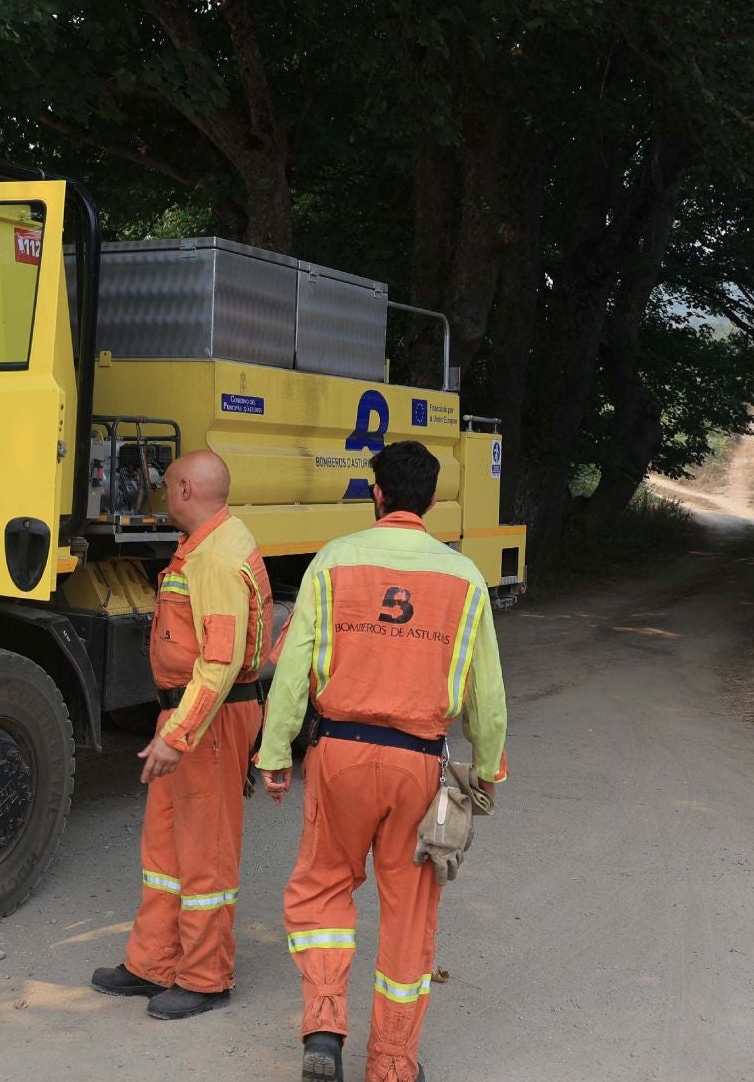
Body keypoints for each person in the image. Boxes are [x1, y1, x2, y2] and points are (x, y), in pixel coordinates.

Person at [257, 440, 509, 1082]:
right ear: (429, 503)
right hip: (419, 768)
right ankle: (393, 1063)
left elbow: (294, 665)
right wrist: (487, 769)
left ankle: (323, 1029)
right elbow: (487, 690)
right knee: (410, 910)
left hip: (338, 753)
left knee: (322, 887)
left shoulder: (334, 561)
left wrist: (276, 750)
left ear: (378, 496)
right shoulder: (464, 578)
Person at [92, 449, 273, 1020]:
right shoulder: (210, 544)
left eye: (167, 486)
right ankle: (153, 963)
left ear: (189, 491)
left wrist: (180, 734)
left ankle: (206, 976)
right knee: (166, 846)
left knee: (205, 852)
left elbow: (218, 665)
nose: (161, 494)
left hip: (207, 719)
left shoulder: (216, 557)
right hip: (188, 716)